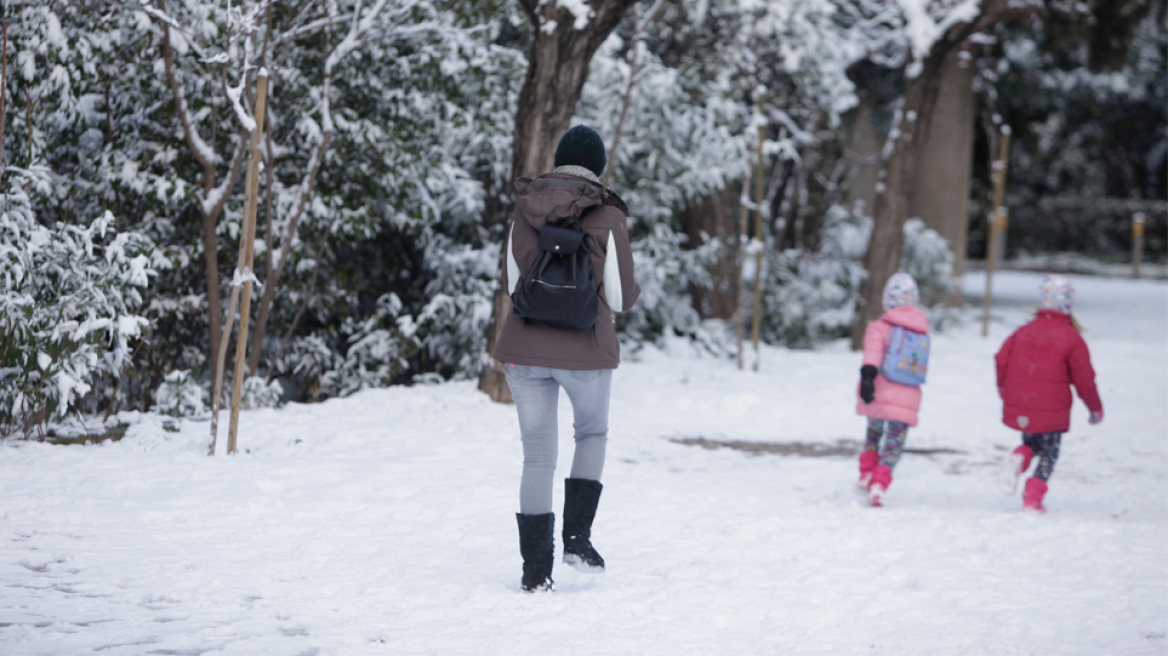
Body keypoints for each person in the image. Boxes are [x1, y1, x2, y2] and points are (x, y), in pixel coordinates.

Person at [495, 125, 641, 592]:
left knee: (537, 455)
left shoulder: (524, 209)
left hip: (524, 348)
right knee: (591, 432)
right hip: (586, 352)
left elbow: (511, 284)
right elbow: (618, 298)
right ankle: (577, 538)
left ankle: (536, 571)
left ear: (557, 161)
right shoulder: (608, 217)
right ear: (597, 168)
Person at [996, 275, 1103, 513]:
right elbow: (1084, 379)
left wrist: (1003, 388)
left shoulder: (1023, 331)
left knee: (1032, 441)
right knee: (1050, 452)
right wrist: (1094, 407)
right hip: (1053, 408)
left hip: (1023, 402)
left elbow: (1001, 359)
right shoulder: (1072, 337)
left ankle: (1020, 456)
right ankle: (1033, 497)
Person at [855, 273, 930, 507]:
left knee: (874, 432)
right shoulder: (921, 332)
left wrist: (868, 377)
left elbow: (873, 353)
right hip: (907, 395)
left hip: (879, 390)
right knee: (895, 441)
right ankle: (880, 482)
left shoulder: (879, 328)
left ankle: (867, 471)